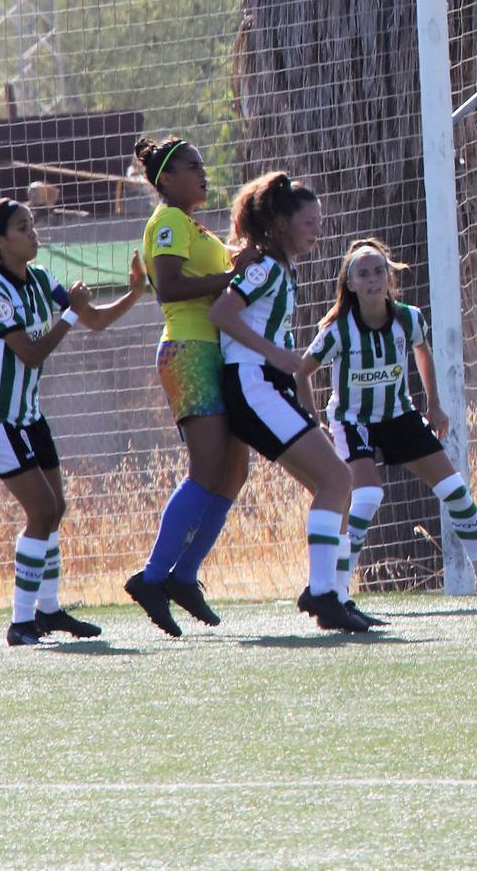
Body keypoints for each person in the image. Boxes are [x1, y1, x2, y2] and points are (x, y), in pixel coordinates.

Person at [300, 237, 477, 618]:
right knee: (367, 497)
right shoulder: (338, 331)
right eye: (363, 273)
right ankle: (337, 592)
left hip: (400, 417)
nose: (372, 279)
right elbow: (301, 372)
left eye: (378, 271)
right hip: (354, 422)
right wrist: (312, 423)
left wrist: (434, 404)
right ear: (349, 283)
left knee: (456, 491)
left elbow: (422, 351)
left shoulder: (409, 317)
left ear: (389, 276)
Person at [0, 198, 147, 644]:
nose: (33, 233)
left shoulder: (42, 279)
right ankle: (20, 621)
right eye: (23, 228)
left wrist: (137, 291)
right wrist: (67, 314)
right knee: (41, 509)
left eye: (33, 224)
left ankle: (48, 611)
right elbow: (29, 351)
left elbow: (96, 320)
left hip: (29, 416)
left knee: (55, 509)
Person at [207, 172, 370, 632]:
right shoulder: (264, 269)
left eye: (320, 221)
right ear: (281, 224)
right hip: (252, 385)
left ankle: (335, 594)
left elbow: (286, 349)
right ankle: (322, 594)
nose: (318, 229)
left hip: (268, 386)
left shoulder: (282, 269)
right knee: (338, 478)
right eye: (309, 221)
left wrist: (306, 404)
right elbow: (221, 313)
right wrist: (274, 353)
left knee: (335, 486)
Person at [124, 136, 261, 636]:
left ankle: (184, 575)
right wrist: (230, 278)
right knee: (206, 468)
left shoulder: (193, 225)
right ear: (165, 179)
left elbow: (228, 270)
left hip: (215, 353)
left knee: (234, 469)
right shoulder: (168, 222)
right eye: (191, 166)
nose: (203, 173)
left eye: (203, 165)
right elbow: (171, 287)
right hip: (188, 351)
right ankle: (153, 577)